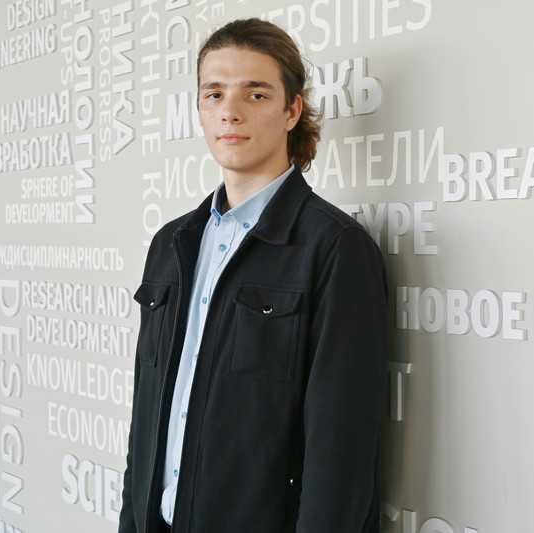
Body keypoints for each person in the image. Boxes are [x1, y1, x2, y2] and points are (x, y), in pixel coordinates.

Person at [118, 18, 388, 533]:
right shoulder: (171, 244)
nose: (230, 111)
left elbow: (342, 453)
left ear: (292, 111)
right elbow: (147, 418)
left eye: (256, 94)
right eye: (214, 93)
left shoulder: (334, 248)